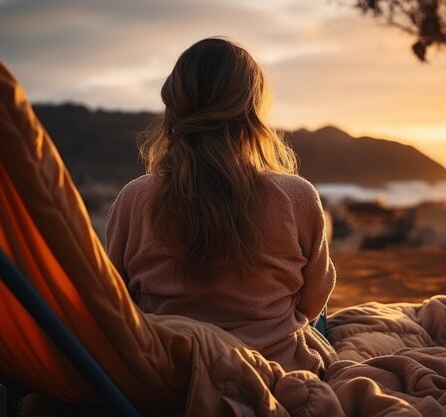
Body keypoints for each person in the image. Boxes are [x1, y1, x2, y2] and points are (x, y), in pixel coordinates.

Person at [105, 37, 336, 374]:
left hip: (171, 372)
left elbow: (113, 298)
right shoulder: (296, 196)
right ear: (252, 110)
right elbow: (314, 300)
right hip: (274, 369)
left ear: (173, 105)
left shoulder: (134, 198)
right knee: (319, 311)